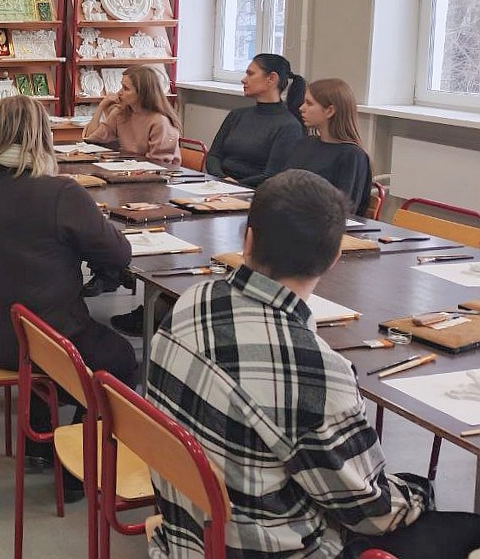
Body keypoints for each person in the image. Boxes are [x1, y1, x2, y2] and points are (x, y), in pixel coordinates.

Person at [147, 169, 480, 559]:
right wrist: (420, 492)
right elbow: (370, 513)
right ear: (335, 257)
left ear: (248, 239)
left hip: (186, 533)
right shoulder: (313, 369)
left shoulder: (192, 300)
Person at [0, 97, 138, 479]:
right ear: (43, 137)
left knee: (37, 319)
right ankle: (77, 466)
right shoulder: (61, 194)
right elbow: (119, 253)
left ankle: (40, 438)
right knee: (120, 359)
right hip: (33, 341)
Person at [205, 53, 305, 186]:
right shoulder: (237, 115)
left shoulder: (289, 126)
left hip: (255, 191)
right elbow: (213, 156)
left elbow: (272, 175)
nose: (243, 80)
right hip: (221, 185)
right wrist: (222, 178)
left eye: (250, 74)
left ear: (271, 78)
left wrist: (235, 185)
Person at [280, 78, 372, 215]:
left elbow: (344, 207)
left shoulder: (352, 155)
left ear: (330, 111)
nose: (301, 108)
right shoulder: (304, 143)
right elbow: (283, 184)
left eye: (309, 103)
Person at [81, 66, 181, 165]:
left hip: (158, 171)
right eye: (121, 86)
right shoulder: (121, 113)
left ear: (142, 93)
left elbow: (158, 164)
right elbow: (91, 139)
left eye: (126, 88)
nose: (119, 92)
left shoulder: (160, 122)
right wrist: (101, 106)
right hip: (133, 167)